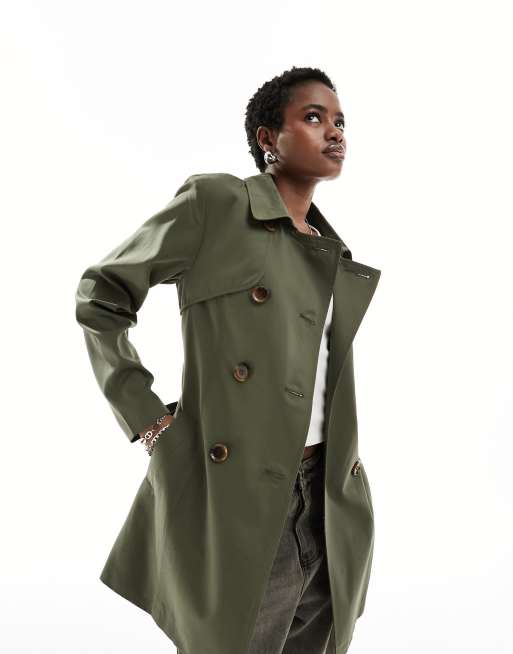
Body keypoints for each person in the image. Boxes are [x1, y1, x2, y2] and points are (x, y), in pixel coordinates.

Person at [75, 66, 380, 654]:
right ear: (268, 138)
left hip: (328, 499)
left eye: (341, 122)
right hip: (239, 496)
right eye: (313, 117)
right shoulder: (217, 204)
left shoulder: (330, 252)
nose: (335, 132)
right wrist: (147, 418)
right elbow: (101, 295)